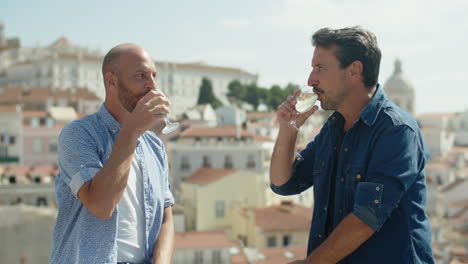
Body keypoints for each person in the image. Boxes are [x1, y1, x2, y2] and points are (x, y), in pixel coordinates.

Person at [270, 27, 434, 264]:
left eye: (320, 68)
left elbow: (367, 216)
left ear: (354, 70)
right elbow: (284, 184)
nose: (310, 80)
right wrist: (287, 130)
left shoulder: (397, 130)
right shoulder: (333, 128)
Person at [50, 43, 175, 264]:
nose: (153, 86)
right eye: (141, 76)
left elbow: (166, 217)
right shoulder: (78, 134)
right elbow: (101, 205)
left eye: (154, 76)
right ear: (112, 81)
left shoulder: (154, 146)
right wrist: (131, 131)